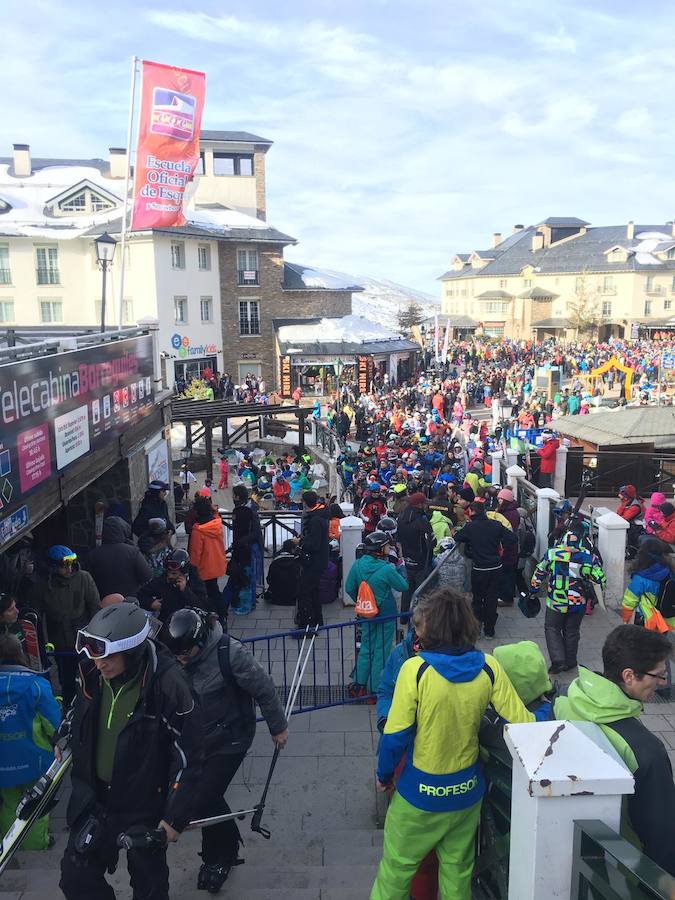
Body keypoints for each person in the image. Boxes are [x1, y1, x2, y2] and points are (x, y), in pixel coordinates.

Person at [371, 588, 536, 900]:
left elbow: (395, 736)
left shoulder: (415, 670)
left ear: (432, 628)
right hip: (466, 794)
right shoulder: (489, 667)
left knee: (396, 870)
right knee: (457, 874)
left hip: (419, 795)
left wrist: (383, 774)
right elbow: (524, 724)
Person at [58, 603, 202, 900]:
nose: (100, 664)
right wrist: (63, 737)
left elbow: (190, 756)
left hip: (143, 804)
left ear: (132, 651)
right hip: (93, 798)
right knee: (75, 880)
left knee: (150, 888)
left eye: (108, 655)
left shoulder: (170, 685)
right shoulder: (91, 672)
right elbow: (77, 711)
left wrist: (175, 818)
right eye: (96, 656)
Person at [165, 608, 288, 892]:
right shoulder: (180, 655)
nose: (181, 660)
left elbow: (264, 688)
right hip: (197, 737)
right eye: (177, 655)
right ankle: (227, 844)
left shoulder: (231, 654)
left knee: (203, 798)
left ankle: (218, 857)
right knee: (205, 796)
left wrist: (277, 728)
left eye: (186, 653)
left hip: (231, 737)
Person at [554, 626, 675, 877]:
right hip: (617, 864)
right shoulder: (646, 750)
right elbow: (662, 837)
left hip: (567, 836)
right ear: (629, 676)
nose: (662, 683)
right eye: (659, 676)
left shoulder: (570, 695)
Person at [0, 635, 61, 851]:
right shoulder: (36, 684)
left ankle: (9, 847)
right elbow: (54, 723)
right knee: (36, 805)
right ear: (21, 654)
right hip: (35, 759)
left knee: (10, 804)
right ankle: (37, 845)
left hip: (2, 763)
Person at [530, 529, 606, 674]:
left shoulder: (552, 554)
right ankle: (570, 661)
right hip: (578, 602)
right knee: (572, 631)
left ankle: (558, 661)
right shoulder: (589, 557)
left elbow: (539, 574)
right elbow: (600, 579)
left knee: (552, 629)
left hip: (556, 602)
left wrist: (533, 592)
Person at [346, 531, 408, 698]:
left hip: (366, 614)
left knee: (366, 647)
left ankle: (359, 684)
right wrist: (401, 566)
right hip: (386, 615)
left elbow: (349, 588)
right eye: (387, 546)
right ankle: (374, 689)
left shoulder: (357, 565)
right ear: (380, 549)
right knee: (381, 650)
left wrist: (363, 602)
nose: (389, 548)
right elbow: (403, 586)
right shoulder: (387, 569)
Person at [36, 546, 100, 707]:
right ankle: (69, 706)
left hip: (83, 637)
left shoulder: (84, 578)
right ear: (53, 567)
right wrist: (42, 643)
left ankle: (92, 703)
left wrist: (95, 635)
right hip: (60, 641)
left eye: (71, 564)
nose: (69, 569)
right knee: (67, 679)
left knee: (90, 674)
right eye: (64, 566)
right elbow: (36, 615)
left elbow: (94, 606)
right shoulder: (43, 585)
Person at [454, 501, 516, 638]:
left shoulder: (470, 527)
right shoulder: (495, 525)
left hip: (479, 569)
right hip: (495, 568)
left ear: (472, 512)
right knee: (491, 598)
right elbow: (512, 538)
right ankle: (489, 630)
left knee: (478, 599)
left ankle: (477, 627)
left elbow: (457, 537)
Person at [86, 516, 152, 599]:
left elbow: (89, 583)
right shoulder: (133, 552)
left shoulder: (93, 554)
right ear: (123, 530)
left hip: (105, 603)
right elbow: (147, 576)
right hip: (131, 601)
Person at [138, 549, 207, 626]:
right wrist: (151, 603)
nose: (170, 576)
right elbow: (141, 594)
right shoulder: (162, 580)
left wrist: (185, 591)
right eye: (168, 572)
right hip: (169, 622)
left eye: (174, 573)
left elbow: (202, 606)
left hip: (192, 622)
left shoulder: (195, 581)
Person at [621, 538, 675, 630]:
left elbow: (629, 600)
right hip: (666, 618)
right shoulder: (669, 569)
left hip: (648, 620)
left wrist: (625, 620)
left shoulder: (640, 577)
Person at [188, 496, 227, 617]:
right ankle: (220, 611)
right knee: (213, 588)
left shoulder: (198, 530)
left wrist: (192, 568)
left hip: (205, 567)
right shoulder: (216, 522)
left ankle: (219, 613)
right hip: (217, 563)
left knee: (210, 592)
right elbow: (215, 513)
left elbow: (195, 554)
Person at [295, 490, 330, 628]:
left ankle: (306, 623)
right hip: (319, 561)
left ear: (305, 503)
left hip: (314, 562)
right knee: (314, 590)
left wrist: (300, 542)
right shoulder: (320, 515)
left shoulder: (315, 520)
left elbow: (314, 544)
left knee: (305, 592)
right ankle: (316, 620)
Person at [397, 493, 435, 613]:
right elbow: (431, 541)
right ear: (419, 505)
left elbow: (399, 538)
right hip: (421, 562)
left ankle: (403, 616)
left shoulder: (402, 517)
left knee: (407, 590)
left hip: (407, 559)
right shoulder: (421, 521)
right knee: (423, 594)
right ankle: (422, 620)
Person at [496, 487, 520, 606]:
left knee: (507, 574)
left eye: (501, 499)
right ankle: (507, 596)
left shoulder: (507, 514)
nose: (499, 501)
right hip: (511, 548)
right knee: (509, 573)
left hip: (507, 548)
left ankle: (506, 597)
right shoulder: (513, 512)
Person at [265, 540, 301, 606]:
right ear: (293, 550)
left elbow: (269, 580)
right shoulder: (296, 563)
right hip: (292, 598)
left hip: (276, 598)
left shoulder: (274, 563)